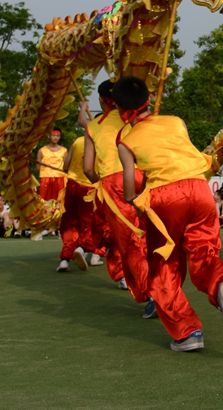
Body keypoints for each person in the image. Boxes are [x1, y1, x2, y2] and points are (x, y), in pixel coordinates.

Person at [113, 75, 223, 352]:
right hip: (200, 188)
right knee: (204, 252)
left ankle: (187, 333)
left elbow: (129, 184)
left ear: (119, 108)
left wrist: (133, 200)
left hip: (164, 197)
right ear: (148, 99)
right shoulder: (177, 122)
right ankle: (221, 285)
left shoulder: (125, 139)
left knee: (164, 267)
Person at [82, 81, 150, 303]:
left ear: (102, 101)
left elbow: (88, 169)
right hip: (143, 176)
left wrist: (100, 184)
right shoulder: (135, 119)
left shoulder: (93, 126)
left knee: (129, 242)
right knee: (148, 236)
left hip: (113, 183)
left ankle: (151, 292)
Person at [58, 133, 99, 271]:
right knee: (89, 224)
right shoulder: (103, 141)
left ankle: (65, 260)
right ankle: (82, 248)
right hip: (90, 188)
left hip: (72, 185)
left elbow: (65, 166)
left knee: (70, 223)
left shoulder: (77, 141)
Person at [36, 129, 68, 202]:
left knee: (60, 201)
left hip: (60, 178)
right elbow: (38, 167)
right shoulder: (41, 150)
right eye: (53, 135)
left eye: (58, 136)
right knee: (43, 201)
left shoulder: (64, 150)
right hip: (45, 179)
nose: (55, 138)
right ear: (49, 136)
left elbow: (66, 166)